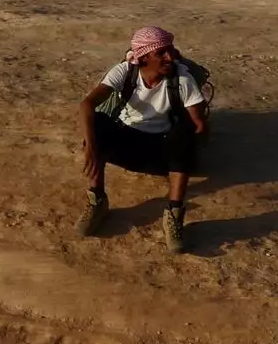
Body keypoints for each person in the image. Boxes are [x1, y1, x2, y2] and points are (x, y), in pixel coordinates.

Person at [78, 25, 208, 252]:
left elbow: (199, 125)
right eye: (161, 53)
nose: (170, 57)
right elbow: (87, 104)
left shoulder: (182, 80)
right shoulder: (125, 72)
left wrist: (189, 148)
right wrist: (91, 146)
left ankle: (174, 214)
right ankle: (97, 200)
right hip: (127, 144)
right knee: (97, 123)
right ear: (144, 57)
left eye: (170, 50)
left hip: (163, 152)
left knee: (184, 130)